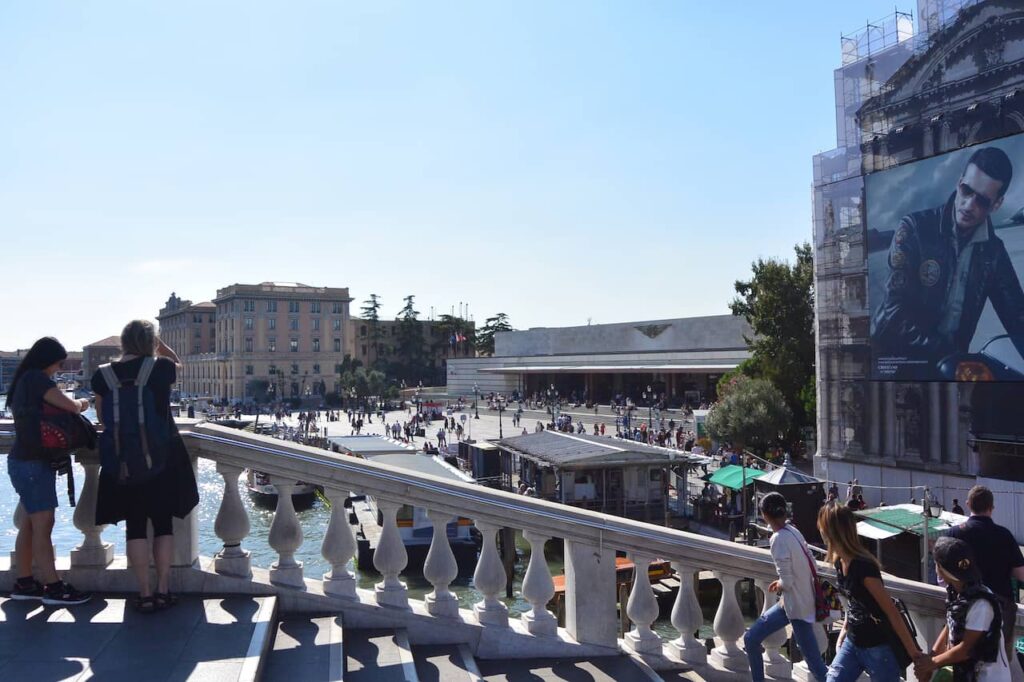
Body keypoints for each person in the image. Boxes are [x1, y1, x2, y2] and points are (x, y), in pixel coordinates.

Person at [873, 147, 1024, 376]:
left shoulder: (993, 252)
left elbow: (1018, 318)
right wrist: (948, 350)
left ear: (996, 205)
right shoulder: (914, 229)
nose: (969, 204)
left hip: (949, 368)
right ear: (959, 183)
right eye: (967, 191)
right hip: (893, 362)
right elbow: (895, 312)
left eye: (982, 200)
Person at [93, 321, 199, 614]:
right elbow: (178, 364)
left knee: (135, 527)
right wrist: (159, 345)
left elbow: (102, 417)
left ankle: (144, 593)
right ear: (151, 342)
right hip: (162, 459)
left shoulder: (102, 376)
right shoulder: (161, 368)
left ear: (123, 343)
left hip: (124, 461)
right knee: (163, 525)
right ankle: (164, 589)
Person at [5, 337, 92, 605]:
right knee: (43, 526)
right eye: (58, 363)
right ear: (48, 361)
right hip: (34, 464)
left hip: (21, 460)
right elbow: (71, 405)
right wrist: (84, 404)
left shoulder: (23, 381)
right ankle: (54, 588)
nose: (59, 367)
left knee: (30, 525)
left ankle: (24, 582)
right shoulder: (38, 380)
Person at [818, 504, 921, 681]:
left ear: (832, 532)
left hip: (878, 647)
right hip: (853, 641)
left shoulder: (863, 567)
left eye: (822, 528)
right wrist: (845, 628)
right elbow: (854, 602)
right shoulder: (839, 561)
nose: (820, 532)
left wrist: (916, 656)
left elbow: (891, 612)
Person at [743, 493, 828, 682]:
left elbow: (787, 582)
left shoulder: (778, 539)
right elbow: (813, 564)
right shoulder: (793, 531)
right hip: (796, 603)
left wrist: (779, 584)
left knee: (816, 666)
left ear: (765, 515)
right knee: (751, 639)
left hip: (797, 608)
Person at [946, 485, 1024, 675]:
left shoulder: (954, 534)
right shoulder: (1004, 535)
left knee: (964, 660)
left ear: (968, 504)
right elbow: (1021, 574)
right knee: (998, 660)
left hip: (965, 606)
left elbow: (946, 574)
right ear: (992, 507)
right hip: (1000, 606)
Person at [914, 536, 1010, 682]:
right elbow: (949, 627)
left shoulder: (981, 604)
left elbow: (966, 650)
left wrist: (932, 663)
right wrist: (931, 657)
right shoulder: (958, 594)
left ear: (941, 569)